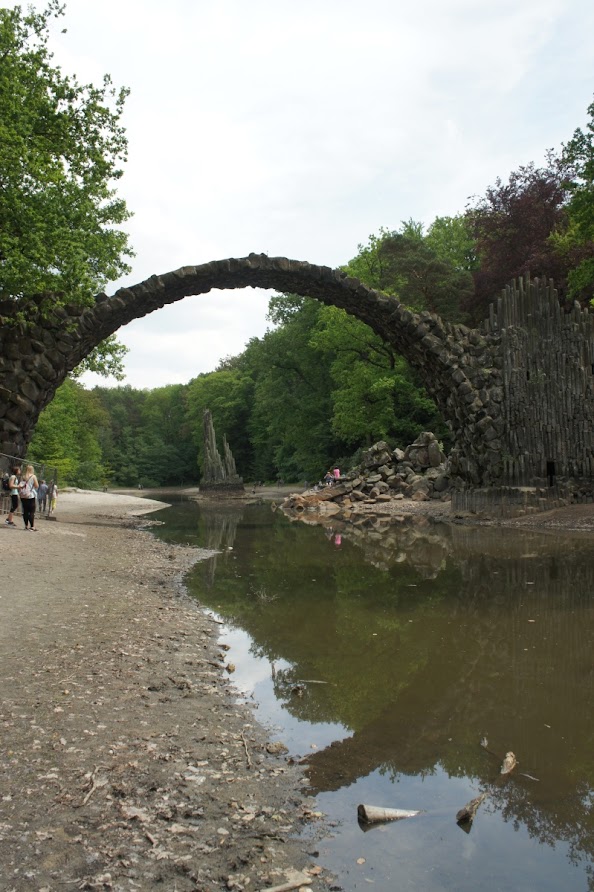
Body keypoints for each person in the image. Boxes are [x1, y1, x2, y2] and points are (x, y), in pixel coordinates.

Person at [19, 464, 39, 530]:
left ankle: (26, 526)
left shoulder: (23, 476)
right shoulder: (33, 476)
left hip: (23, 495)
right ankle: (32, 526)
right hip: (30, 495)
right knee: (31, 511)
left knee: (25, 511)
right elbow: (36, 485)